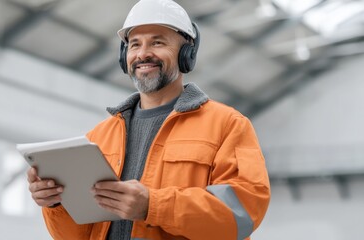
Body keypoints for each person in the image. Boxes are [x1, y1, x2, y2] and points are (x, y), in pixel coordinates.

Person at [27, 0, 270, 239]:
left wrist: (153, 206)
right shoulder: (98, 137)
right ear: (125, 55)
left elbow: (242, 214)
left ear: (187, 53)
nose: (143, 54)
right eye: (135, 44)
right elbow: (76, 236)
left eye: (157, 42)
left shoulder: (228, 125)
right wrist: (56, 203)